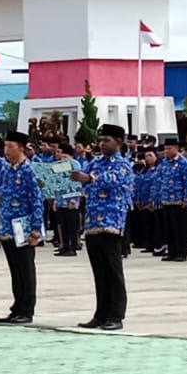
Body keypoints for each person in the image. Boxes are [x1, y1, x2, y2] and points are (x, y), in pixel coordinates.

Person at [70, 124, 132, 331]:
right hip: (93, 223)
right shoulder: (95, 162)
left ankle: (116, 315)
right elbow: (80, 176)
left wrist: (89, 178)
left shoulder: (123, 164)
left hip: (111, 223)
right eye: (101, 140)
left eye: (107, 140)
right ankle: (101, 313)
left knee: (113, 270)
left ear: (119, 143)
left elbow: (112, 180)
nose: (102, 144)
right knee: (99, 271)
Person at [0, 131, 44, 324]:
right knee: (15, 270)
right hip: (8, 226)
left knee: (25, 269)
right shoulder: (7, 170)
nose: (6, 150)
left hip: (23, 227)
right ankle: (17, 307)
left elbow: (37, 202)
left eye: (11, 146)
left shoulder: (29, 171)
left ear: (22, 148)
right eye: (5, 146)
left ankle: (27, 309)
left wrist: (36, 230)